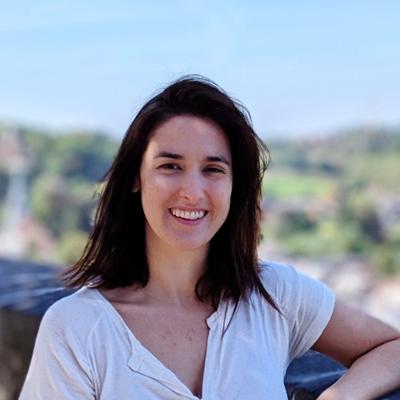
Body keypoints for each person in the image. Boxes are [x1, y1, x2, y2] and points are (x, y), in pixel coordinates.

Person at [20, 76, 400, 400]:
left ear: (235, 185)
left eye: (213, 169)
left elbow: (392, 348)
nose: (192, 192)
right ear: (136, 177)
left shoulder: (276, 295)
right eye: (170, 166)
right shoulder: (76, 328)